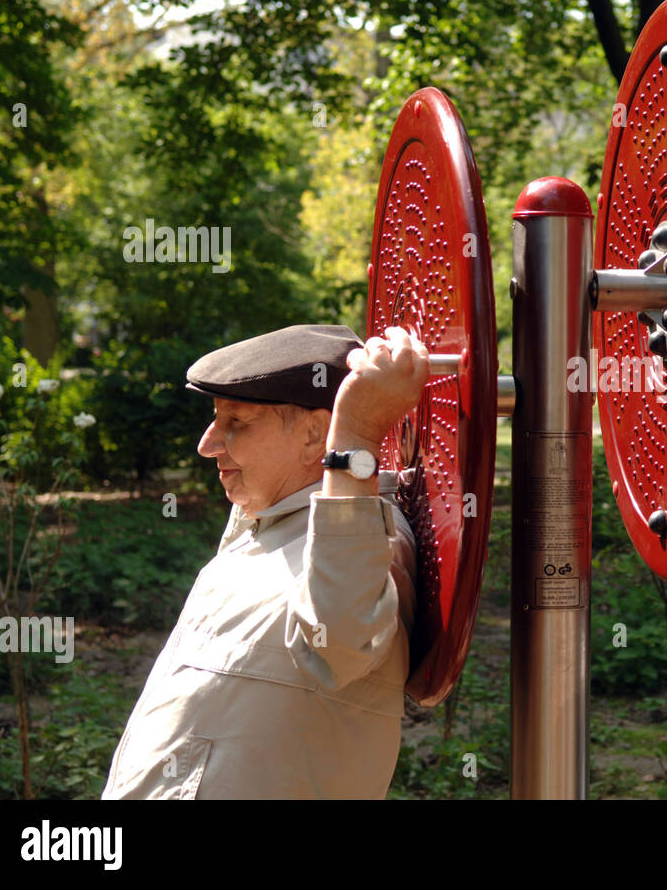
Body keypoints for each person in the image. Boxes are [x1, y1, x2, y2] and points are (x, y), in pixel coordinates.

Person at [102, 323, 428, 799]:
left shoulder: (368, 542)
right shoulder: (271, 523)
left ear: (317, 435)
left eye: (237, 422)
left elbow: (338, 642)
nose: (207, 444)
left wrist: (356, 436)